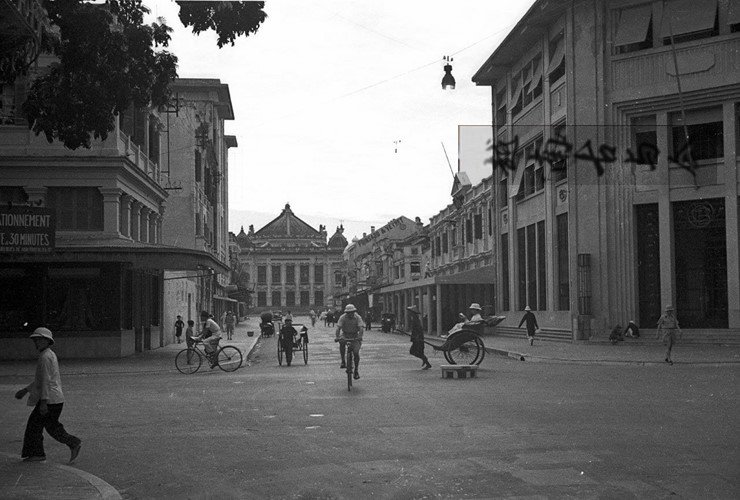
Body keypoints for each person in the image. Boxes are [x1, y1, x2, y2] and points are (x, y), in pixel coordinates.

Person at [14, 327, 82, 463]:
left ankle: (39, 453)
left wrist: (43, 402)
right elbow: (42, 379)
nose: (37, 342)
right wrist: (26, 390)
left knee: (35, 426)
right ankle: (71, 443)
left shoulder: (45, 357)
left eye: (39, 340)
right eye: (36, 340)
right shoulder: (49, 355)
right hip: (54, 399)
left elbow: (44, 381)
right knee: (50, 426)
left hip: (50, 400)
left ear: (47, 341)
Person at [335, 304, 364, 379]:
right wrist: (337, 337)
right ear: (346, 313)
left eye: (352, 312)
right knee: (341, 342)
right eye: (349, 313)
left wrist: (360, 337)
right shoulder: (342, 317)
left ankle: (356, 370)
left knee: (356, 353)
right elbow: (338, 328)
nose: (350, 314)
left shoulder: (358, 317)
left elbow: (361, 328)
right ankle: (343, 361)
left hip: (355, 336)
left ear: (354, 312)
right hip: (345, 335)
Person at [407, 305, 431, 369]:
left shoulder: (415, 320)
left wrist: (417, 337)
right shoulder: (415, 319)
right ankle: (425, 360)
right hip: (416, 338)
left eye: (410, 312)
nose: (409, 313)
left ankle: (425, 360)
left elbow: (418, 329)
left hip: (418, 339)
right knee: (416, 351)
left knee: (414, 351)